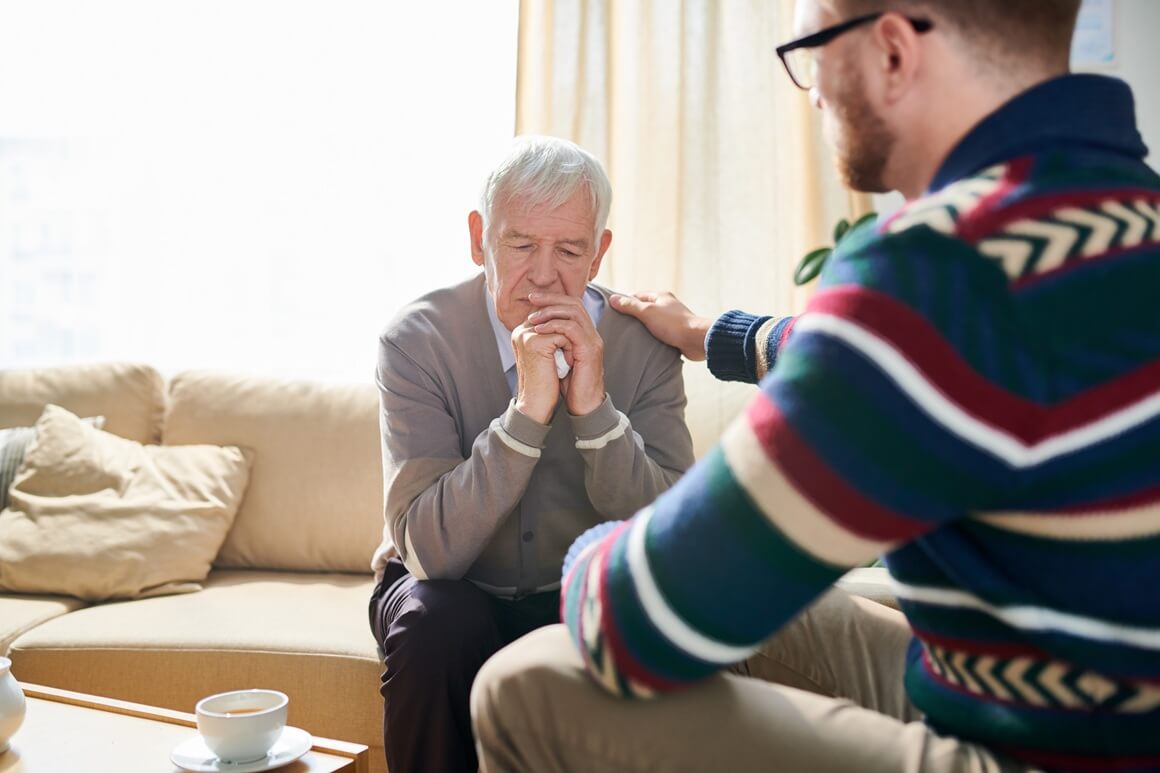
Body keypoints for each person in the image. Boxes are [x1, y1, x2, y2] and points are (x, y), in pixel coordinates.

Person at [470, 1, 1160, 771]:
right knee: (799, 614)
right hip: (1079, 699)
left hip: (1047, 752)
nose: (815, 91)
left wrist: (591, 551)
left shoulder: (941, 270)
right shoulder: (1112, 219)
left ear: (893, 52)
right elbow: (933, 348)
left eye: (812, 49)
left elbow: (639, 621)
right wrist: (711, 335)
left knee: (525, 681)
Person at [367, 135, 695, 773]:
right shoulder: (415, 341)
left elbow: (670, 535)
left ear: (599, 253)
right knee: (438, 623)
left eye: (569, 250)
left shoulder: (647, 344)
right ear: (477, 238)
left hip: (580, 590)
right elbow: (429, 553)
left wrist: (594, 410)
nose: (544, 275)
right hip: (448, 589)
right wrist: (527, 415)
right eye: (519, 245)